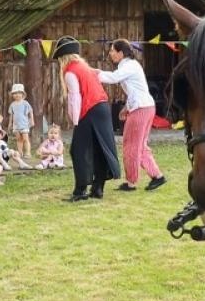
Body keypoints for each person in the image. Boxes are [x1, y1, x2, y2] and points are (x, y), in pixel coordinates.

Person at [53, 37, 120, 201]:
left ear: (63, 58)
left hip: (89, 110)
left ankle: (80, 190)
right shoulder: (86, 67)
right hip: (103, 108)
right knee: (100, 148)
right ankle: (98, 189)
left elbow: (75, 98)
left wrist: (75, 121)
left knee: (78, 150)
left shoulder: (70, 72)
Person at [97, 38, 166, 192]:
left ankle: (131, 182)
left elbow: (113, 78)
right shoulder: (129, 65)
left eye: (113, 51)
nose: (110, 54)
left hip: (141, 109)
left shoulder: (129, 66)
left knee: (131, 146)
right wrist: (126, 108)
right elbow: (134, 92)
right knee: (139, 146)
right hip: (144, 107)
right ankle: (157, 176)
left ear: (121, 53)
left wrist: (95, 74)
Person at [7, 83, 35, 162]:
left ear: (22, 94)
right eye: (15, 93)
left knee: (26, 139)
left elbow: (30, 111)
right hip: (16, 125)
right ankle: (20, 152)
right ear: (12, 95)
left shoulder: (25, 103)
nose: (17, 95)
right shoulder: (12, 105)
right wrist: (10, 124)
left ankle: (28, 152)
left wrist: (32, 120)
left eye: (19, 93)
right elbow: (11, 115)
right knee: (19, 139)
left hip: (24, 124)